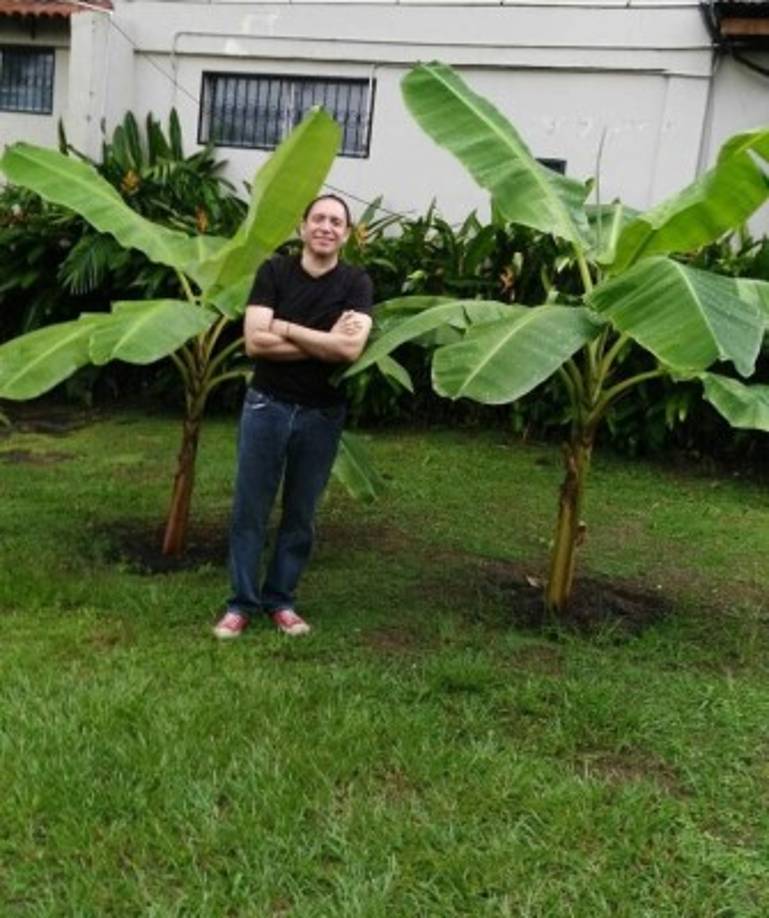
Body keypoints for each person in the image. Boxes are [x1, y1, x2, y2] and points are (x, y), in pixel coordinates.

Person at [213, 194, 374, 639]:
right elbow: (254, 344)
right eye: (318, 218)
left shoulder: (356, 283)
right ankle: (241, 603)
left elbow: (348, 349)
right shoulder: (274, 272)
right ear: (303, 227)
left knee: (300, 513)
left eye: (336, 221)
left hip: (321, 414)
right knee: (251, 508)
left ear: (345, 233)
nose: (326, 226)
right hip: (267, 405)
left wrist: (283, 327)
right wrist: (321, 339)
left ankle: (280, 600)